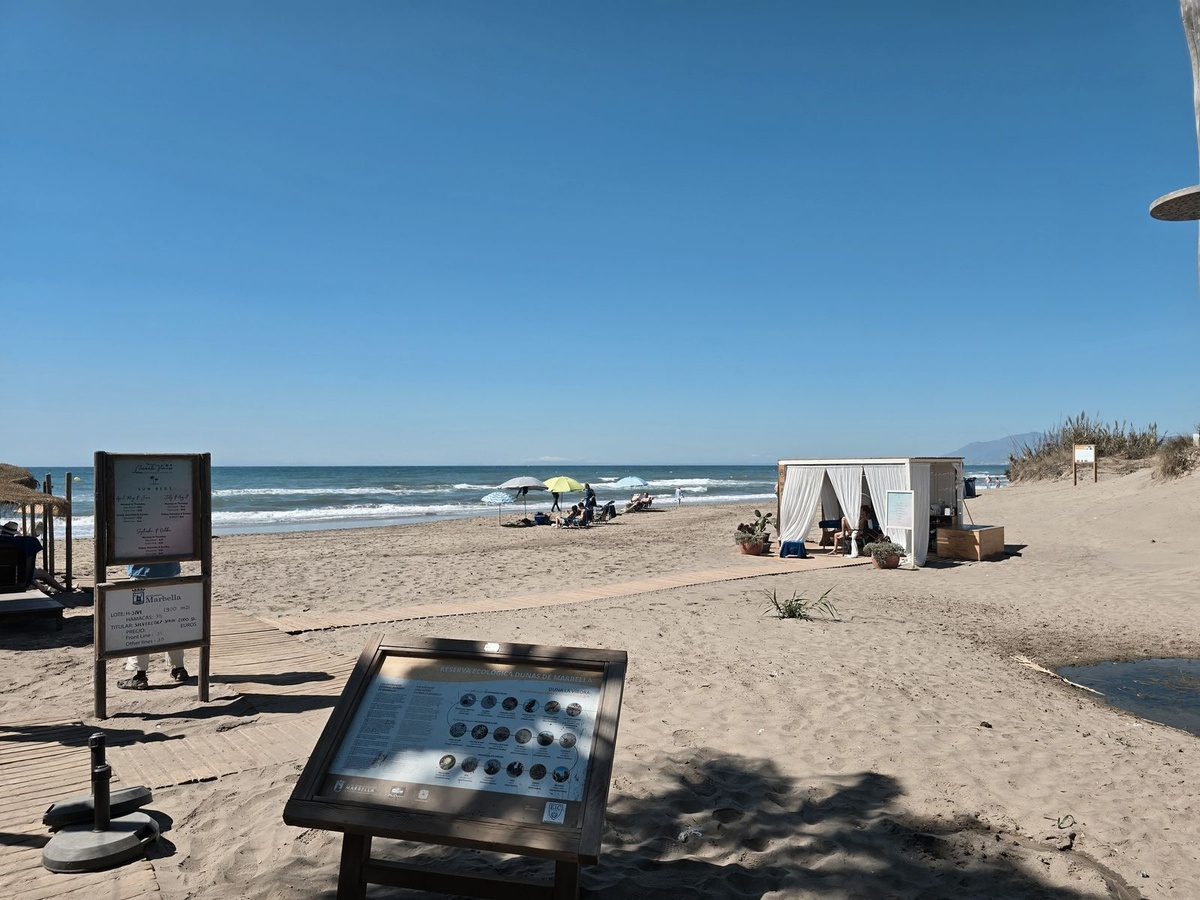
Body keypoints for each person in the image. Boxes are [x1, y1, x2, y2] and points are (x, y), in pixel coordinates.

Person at [118, 560, 189, 690]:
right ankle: (179, 668)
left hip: (142, 571)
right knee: (172, 621)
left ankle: (140, 676)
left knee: (140, 624)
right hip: (170, 571)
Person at [0, 521, 41, 588]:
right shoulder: (19, 543)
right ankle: (59, 589)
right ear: (13, 533)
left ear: (2, 531)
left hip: (4, 573)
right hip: (16, 573)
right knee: (42, 574)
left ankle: (41, 587)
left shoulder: (3, 542)